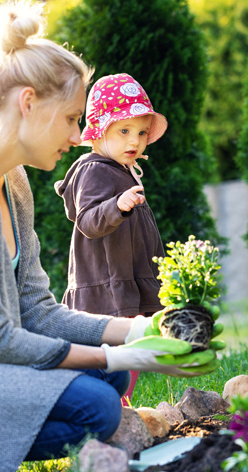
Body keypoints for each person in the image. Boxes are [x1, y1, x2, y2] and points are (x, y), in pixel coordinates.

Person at [0, 0, 220, 472]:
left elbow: (36, 310)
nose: (77, 134)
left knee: (109, 378)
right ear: (28, 103)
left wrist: (144, 330)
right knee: (96, 404)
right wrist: (121, 353)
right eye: (71, 118)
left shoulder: (15, 181)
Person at [55, 72, 167, 404]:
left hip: (125, 276)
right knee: (117, 348)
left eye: (142, 132)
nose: (135, 141)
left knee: (130, 345)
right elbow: (88, 221)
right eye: (124, 131)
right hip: (106, 281)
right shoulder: (94, 169)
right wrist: (117, 205)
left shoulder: (119, 166)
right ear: (99, 131)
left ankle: (120, 400)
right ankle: (114, 400)